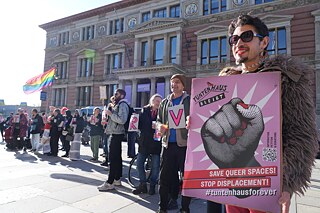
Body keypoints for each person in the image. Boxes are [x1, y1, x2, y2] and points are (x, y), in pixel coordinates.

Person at [206, 14, 319, 213]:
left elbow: (301, 135)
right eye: (234, 39)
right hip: (232, 181)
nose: (239, 42)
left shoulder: (286, 79)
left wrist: (286, 184)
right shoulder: (225, 83)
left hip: (268, 184)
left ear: (264, 42)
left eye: (247, 36)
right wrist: (195, 127)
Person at [156, 74, 192, 213]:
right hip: (167, 146)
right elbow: (159, 119)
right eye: (172, 83)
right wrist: (160, 126)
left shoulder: (189, 101)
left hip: (184, 146)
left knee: (186, 179)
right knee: (164, 178)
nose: (174, 85)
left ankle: (184, 208)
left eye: (177, 82)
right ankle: (162, 207)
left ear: (183, 85)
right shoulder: (165, 102)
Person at [97, 89, 129, 191]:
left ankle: (109, 182)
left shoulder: (122, 104)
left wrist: (110, 114)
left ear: (122, 95)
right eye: (114, 93)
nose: (114, 95)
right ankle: (117, 178)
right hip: (115, 132)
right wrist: (107, 122)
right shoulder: (118, 104)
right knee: (117, 158)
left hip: (117, 134)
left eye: (117, 94)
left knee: (113, 159)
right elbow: (115, 120)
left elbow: (122, 120)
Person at [132, 94, 162, 195]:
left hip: (156, 143)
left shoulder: (162, 112)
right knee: (139, 164)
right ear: (152, 101)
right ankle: (143, 184)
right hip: (144, 142)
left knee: (155, 166)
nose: (158, 103)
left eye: (160, 101)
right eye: (156, 101)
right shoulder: (144, 111)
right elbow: (138, 124)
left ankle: (153, 185)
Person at [101, 96, 116, 167]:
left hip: (112, 130)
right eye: (112, 100)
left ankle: (109, 160)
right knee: (105, 145)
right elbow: (106, 118)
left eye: (113, 100)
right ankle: (107, 159)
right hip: (106, 129)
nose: (112, 102)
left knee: (109, 146)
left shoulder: (115, 109)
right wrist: (104, 120)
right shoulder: (108, 108)